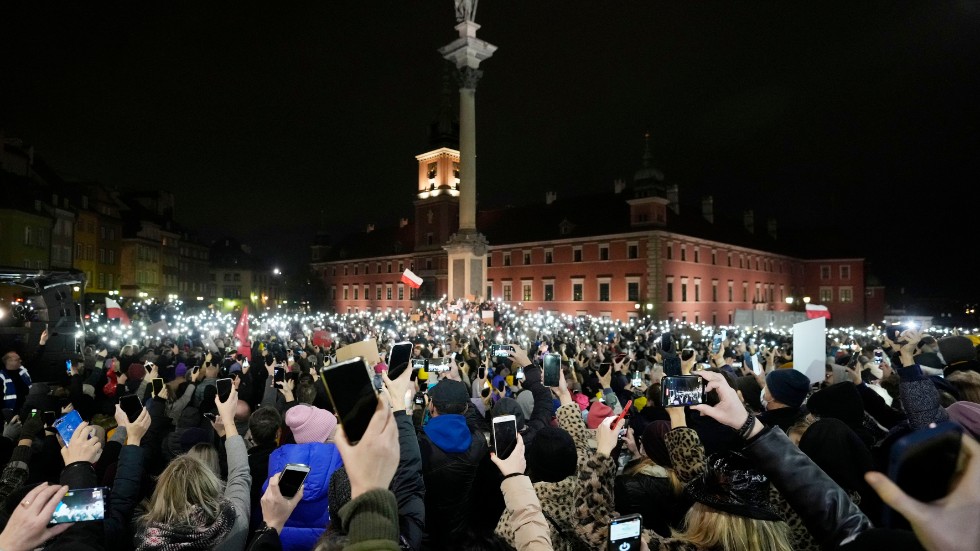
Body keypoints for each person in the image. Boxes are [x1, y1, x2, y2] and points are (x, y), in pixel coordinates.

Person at [134, 387, 251, 550]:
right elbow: (240, 473)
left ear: (163, 491)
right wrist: (229, 423)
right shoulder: (234, 522)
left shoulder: (148, 541)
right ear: (211, 483)